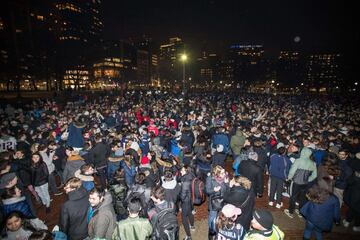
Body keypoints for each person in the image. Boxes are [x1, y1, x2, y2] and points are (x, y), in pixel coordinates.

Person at [284, 147, 317, 218]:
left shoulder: (298, 160)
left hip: (296, 182)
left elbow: (292, 171)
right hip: (305, 183)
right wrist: (308, 179)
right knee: (302, 198)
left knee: (293, 197)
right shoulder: (313, 163)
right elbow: (315, 175)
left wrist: (289, 178)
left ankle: (291, 212)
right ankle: (300, 212)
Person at [206, 165, 229, 236]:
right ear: (217, 174)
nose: (224, 174)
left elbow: (228, 191)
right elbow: (207, 191)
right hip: (214, 202)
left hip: (223, 201)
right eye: (222, 173)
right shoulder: (210, 179)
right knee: (212, 216)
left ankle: (220, 228)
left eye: (224, 172)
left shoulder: (226, 178)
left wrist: (226, 183)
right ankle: (211, 230)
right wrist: (214, 190)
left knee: (222, 216)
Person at [268, 143, 292, 209]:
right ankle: (278, 203)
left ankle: (271, 201)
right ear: (284, 152)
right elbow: (288, 169)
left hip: (273, 175)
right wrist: (286, 177)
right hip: (281, 177)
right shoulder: (287, 160)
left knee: (272, 188)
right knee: (279, 190)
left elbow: (270, 162)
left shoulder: (273, 156)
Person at [343, 154, 360, 232]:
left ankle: (348, 221)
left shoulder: (356, 176)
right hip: (355, 196)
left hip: (354, 195)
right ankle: (357, 225)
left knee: (352, 209)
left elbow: (349, 181)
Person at [179, 165, 195, 240]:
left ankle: (189, 236)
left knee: (184, 218)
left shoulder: (185, 181)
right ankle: (192, 226)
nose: (180, 171)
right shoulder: (191, 176)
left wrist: (179, 198)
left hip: (185, 201)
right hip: (191, 200)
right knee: (190, 213)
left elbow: (182, 196)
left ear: (186, 171)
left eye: (182, 170)